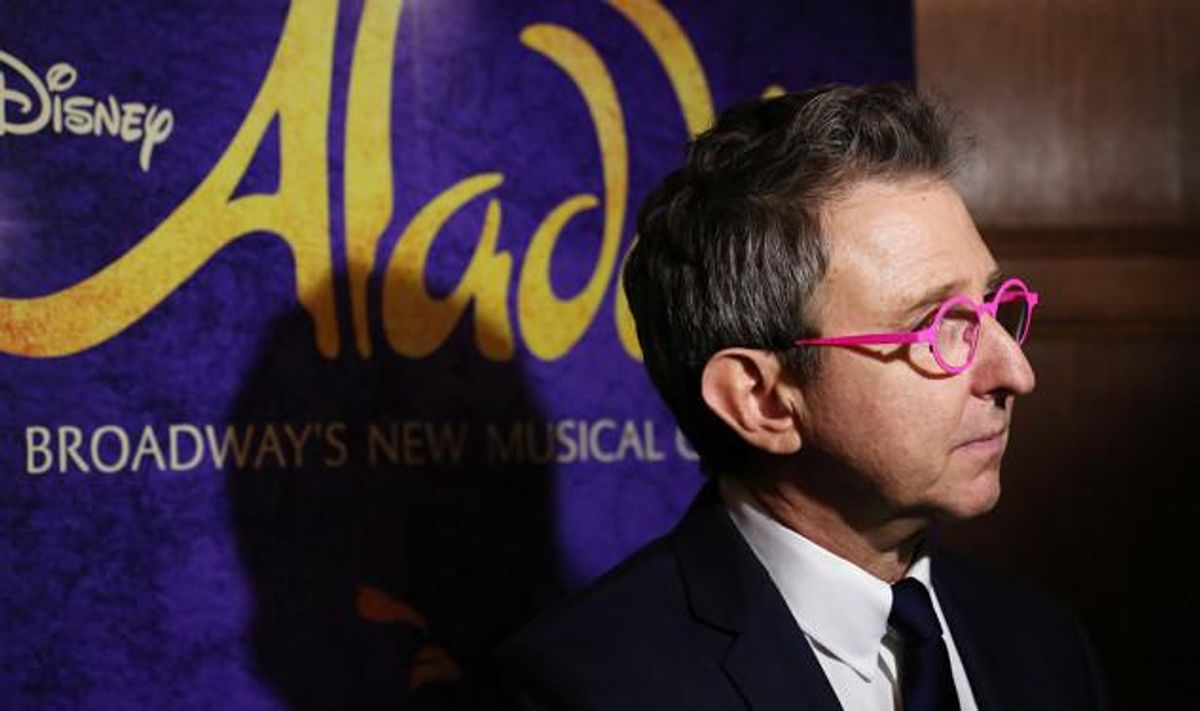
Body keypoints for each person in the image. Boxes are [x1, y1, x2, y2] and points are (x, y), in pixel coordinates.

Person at [496, 84, 1107, 710]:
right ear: (761, 400)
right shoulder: (584, 691)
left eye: (993, 306)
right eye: (936, 327)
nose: (1016, 373)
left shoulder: (1043, 644)